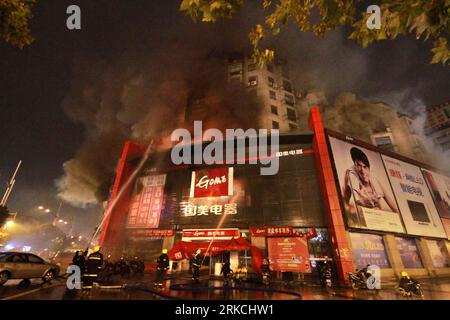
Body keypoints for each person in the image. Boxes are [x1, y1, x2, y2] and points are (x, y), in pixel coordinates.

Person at [342, 147, 398, 227]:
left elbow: (388, 199)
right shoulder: (351, 176)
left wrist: (403, 221)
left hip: (376, 219)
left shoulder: (375, 180)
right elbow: (344, 202)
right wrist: (352, 209)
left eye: (364, 167)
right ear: (354, 164)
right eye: (358, 165)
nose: (362, 170)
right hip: (363, 218)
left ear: (368, 167)